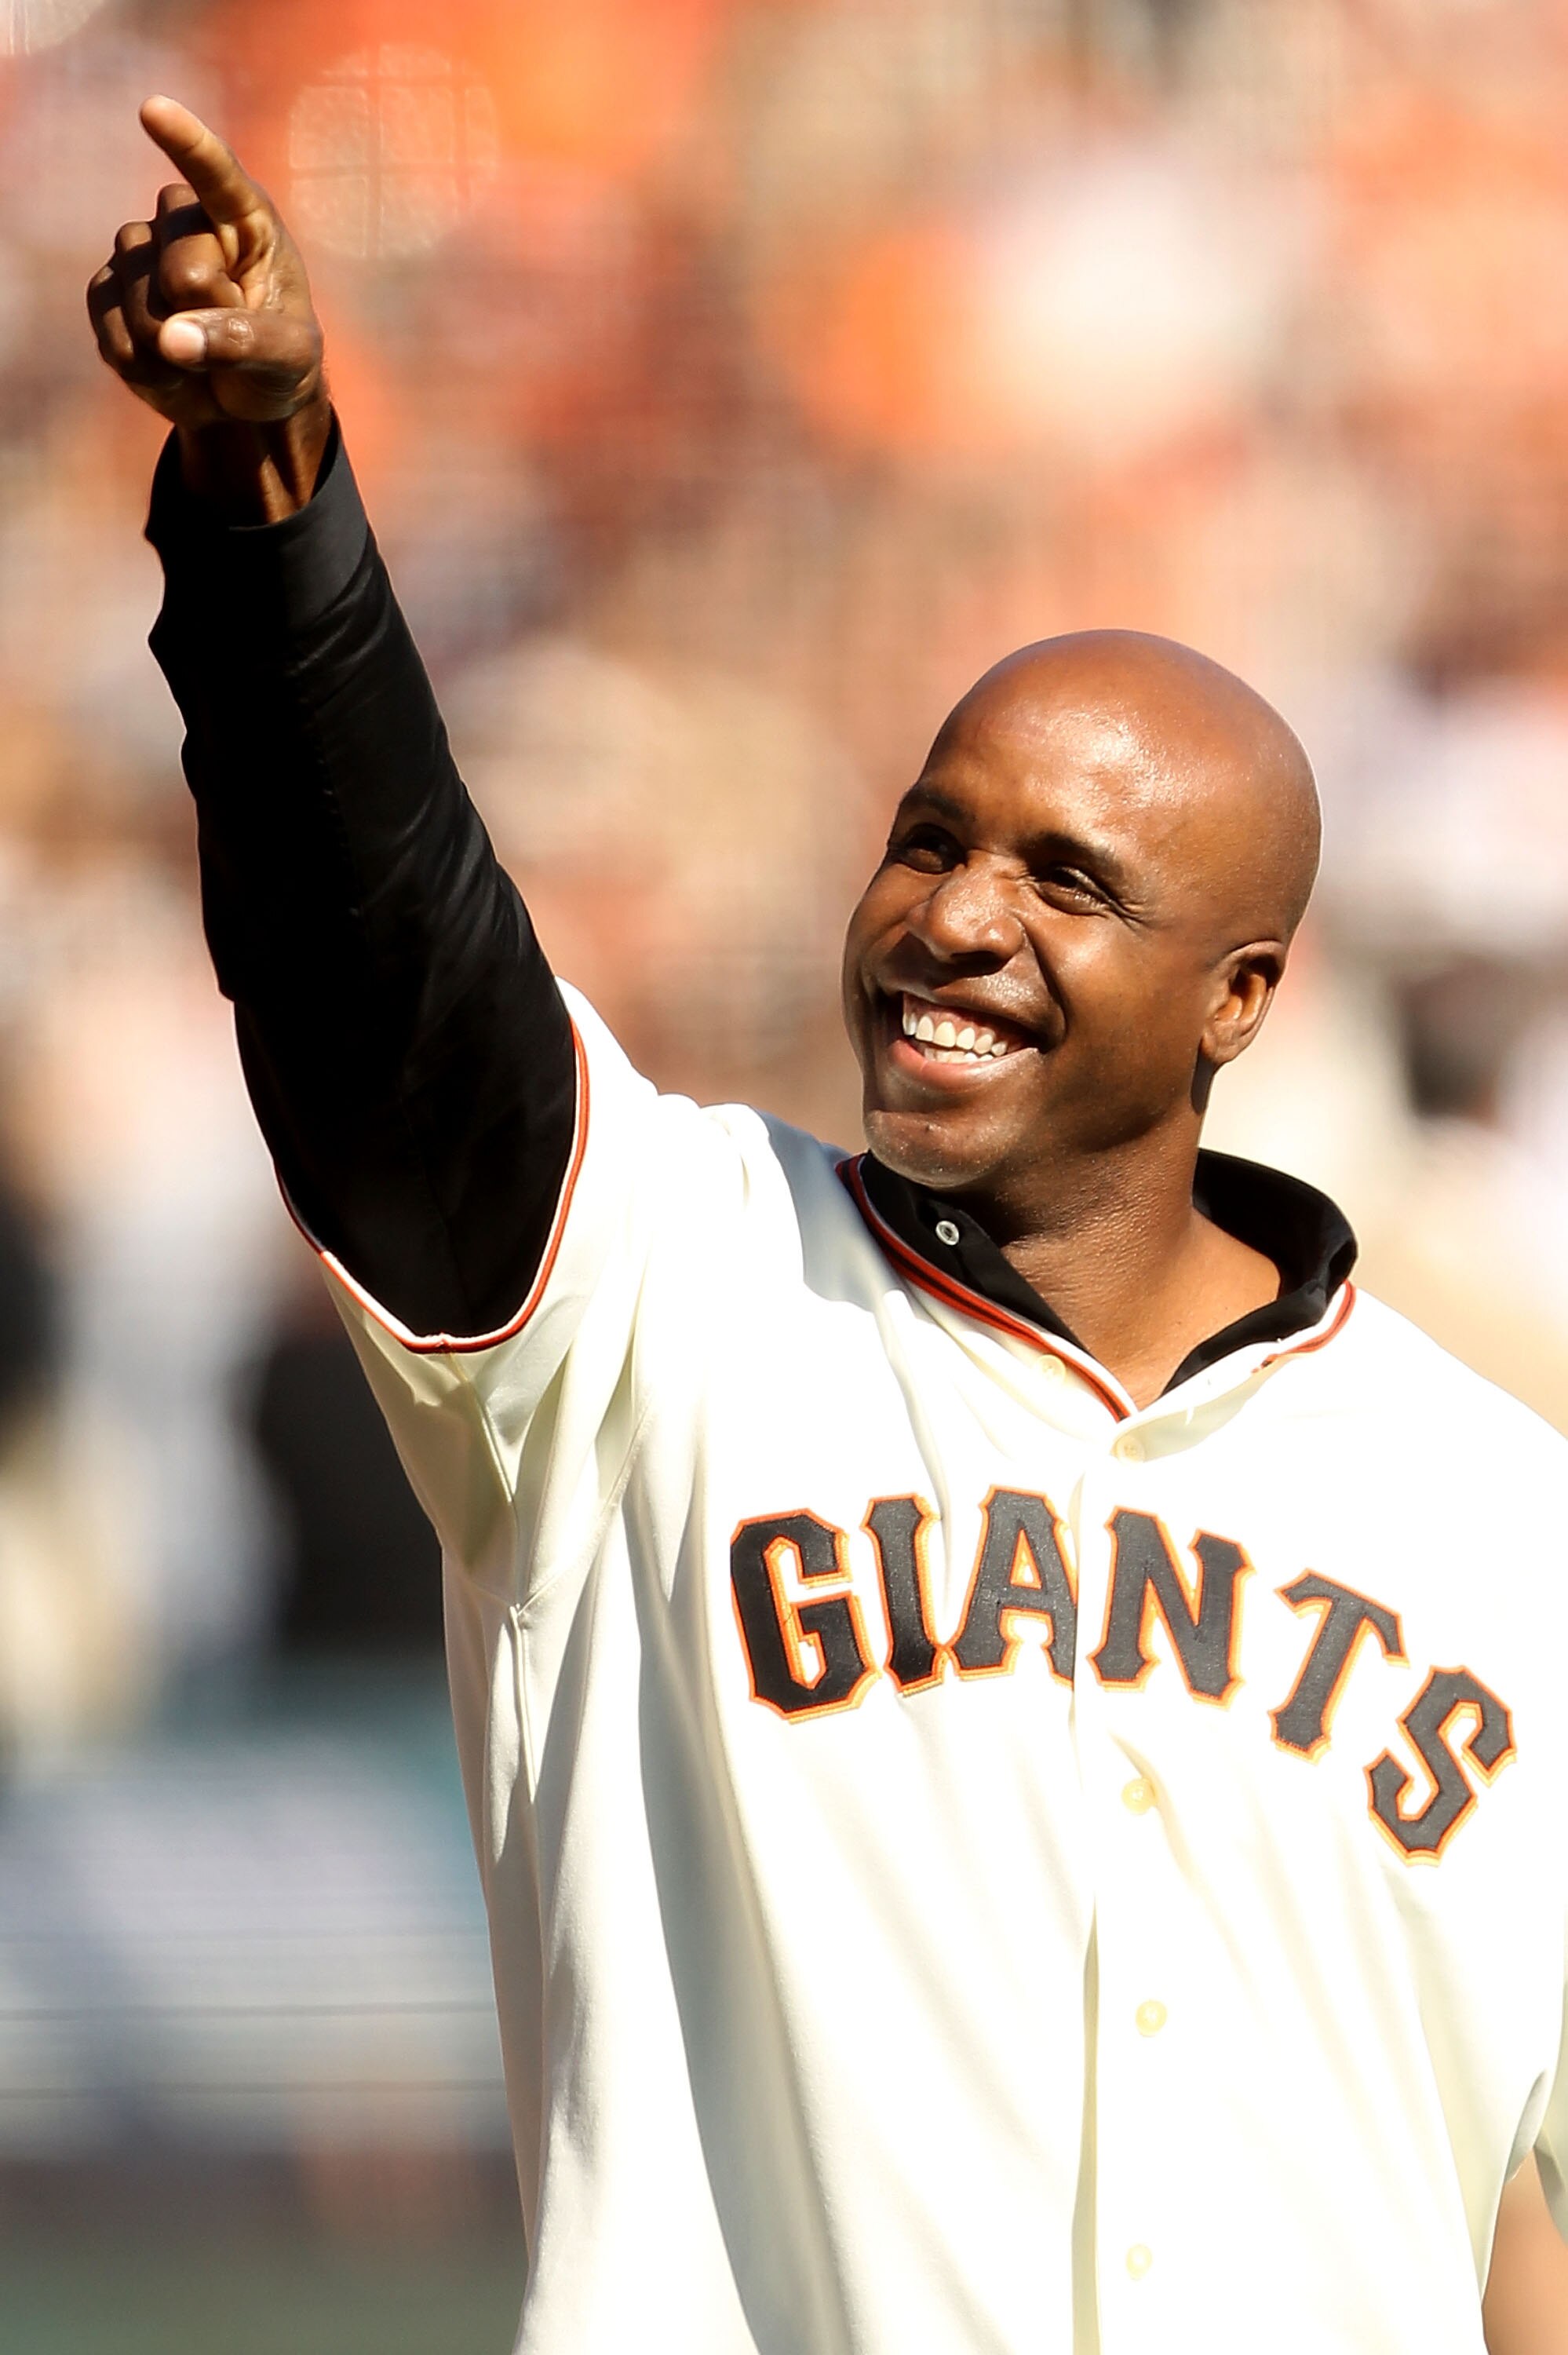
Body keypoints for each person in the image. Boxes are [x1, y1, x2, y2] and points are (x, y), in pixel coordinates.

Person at [90, 97, 1568, 2355]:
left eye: (1070, 882)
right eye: (926, 841)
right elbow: (375, 964)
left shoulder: (1505, 1525)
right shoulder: (657, 1306)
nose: (958, 921)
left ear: (1242, 998)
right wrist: (271, 497)